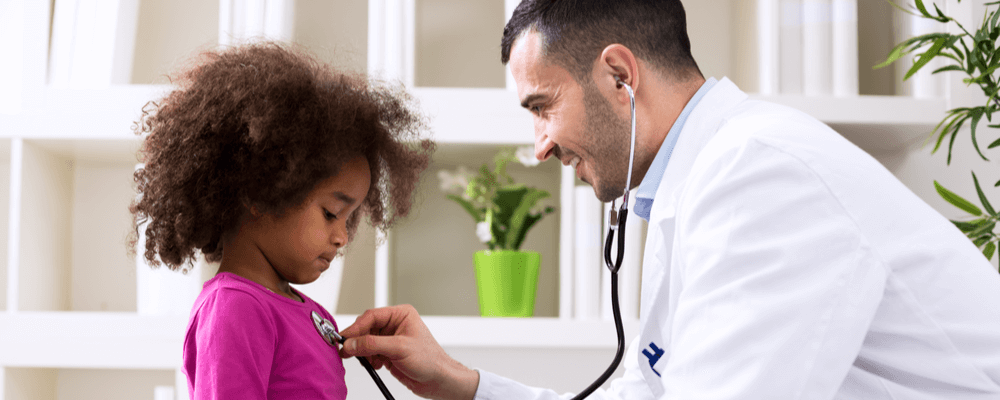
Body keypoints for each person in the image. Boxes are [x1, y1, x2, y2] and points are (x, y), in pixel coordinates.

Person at [336, 0, 1000, 399]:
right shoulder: (699, 179)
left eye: (542, 107)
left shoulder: (758, 174)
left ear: (619, 75)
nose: (539, 146)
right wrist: (465, 386)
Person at [128, 42, 433, 399]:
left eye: (349, 220)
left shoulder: (314, 315)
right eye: (331, 213)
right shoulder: (234, 308)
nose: (342, 237)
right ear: (261, 193)